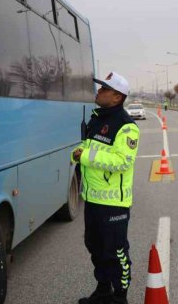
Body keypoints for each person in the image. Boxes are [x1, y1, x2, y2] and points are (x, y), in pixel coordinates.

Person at [72, 72, 140, 304]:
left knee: (116, 252)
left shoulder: (127, 127)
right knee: (95, 247)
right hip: (92, 199)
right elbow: (86, 147)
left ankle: (120, 297)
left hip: (114, 203)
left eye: (104, 89)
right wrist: (77, 153)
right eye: (100, 88)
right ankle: (103, 292)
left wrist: (86, 156)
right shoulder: (96, 119)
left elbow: (123, 161)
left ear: (116, 97)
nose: (98, 92)